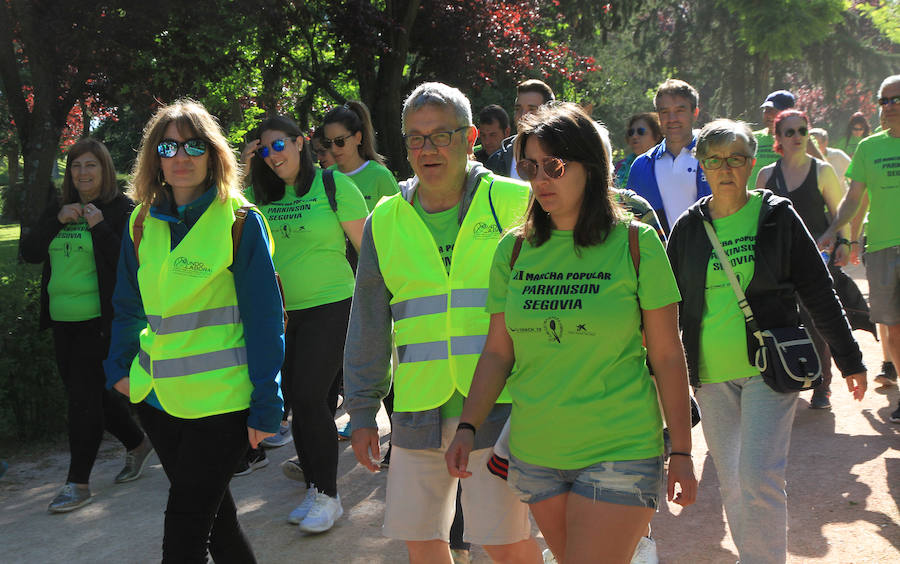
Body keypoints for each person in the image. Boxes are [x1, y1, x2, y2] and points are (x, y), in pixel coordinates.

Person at [444, 102, 696, 563]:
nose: (541, 179)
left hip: (620, 446)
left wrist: (681, 450)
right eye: (530, 167)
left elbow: (666, 355)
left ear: (590, 166)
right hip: (536, 454)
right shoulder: (512, 251)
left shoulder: (636, 244)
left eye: (554, 166)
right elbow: (498, 353)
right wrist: (467, 426)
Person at [345, 82, 542, 563]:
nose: (427, 149)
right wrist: (363, 409)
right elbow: (368, 321)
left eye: (440, 136)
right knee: (421, 538)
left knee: (503, 540)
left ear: (470, 137)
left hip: (500, 403)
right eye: (416, 138)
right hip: (418, 405)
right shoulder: (385, 219)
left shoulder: (517, 202)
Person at [667, 119, 867, 563]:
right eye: (714, 160)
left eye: (735, 159)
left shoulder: (776, 216)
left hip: (769, 368)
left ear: (751, 162)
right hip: (710, 375)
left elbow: (818, 290)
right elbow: (668, 305)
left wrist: (850, 359)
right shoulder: (689, 227)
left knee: (758, 477)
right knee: (734, 483)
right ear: (702, 165)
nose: (725, 169)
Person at [104, 99, 284, 562]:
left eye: (193, 146)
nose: (181, 156)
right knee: (217, 524)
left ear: (213, 154)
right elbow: (128, 305)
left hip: (222, 404)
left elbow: (266, 321)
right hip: (158, 400)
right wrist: (120, 368)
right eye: (168, 147)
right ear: (155, 159)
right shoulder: (139, 222)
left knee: (184, 534)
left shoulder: (241, 222)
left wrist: (267, 403)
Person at [244, 114, 368, 532]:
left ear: (300, 142)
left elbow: (368, 252)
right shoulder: (257, 196)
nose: (272, 154)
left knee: (310, 396)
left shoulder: (334, 185)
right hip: (280, 314)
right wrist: (244, 169)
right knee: (298, 401)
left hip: (333, 305)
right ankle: (315, 488)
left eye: (279, 144)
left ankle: (330, 497)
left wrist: (379, 312)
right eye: (264, 149)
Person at [21, 138, 152, 514]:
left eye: (90, 165)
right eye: (76, 166)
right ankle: (138, 443)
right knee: (94, 396)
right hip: (63, 321)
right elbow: (30, 252)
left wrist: (98, 227)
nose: (82, 173)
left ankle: (77, 483)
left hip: (101, 323)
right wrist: (55, 221)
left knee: (82, 401)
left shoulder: (121, 210)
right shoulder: (59, 208)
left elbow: (132, 266)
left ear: (104, 169)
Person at [756, 110, 858, 409]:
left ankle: (822, 385)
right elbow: (758, 221)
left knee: (817, 320)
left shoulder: (822, 171)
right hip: (778, 260)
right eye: (790, 132)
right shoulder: (766, 175)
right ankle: (789, 374)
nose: (797, 137)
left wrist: (843, 241)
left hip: (817, 257)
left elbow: (840, 212)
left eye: (802, 131)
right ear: (778, 138)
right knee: (782, 319)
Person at [820, 75, 900, 424]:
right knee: (892, 327)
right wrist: (835, 231)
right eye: (884, 101)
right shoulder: (869, 148)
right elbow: (854, 198)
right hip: (880, 247)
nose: (889, 106)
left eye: (896, 99)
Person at [627, 79, 711, 235]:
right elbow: (632, 222)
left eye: (680, 110)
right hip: (660, 250)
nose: (672, 119)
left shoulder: (715, 158)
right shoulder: (641, 166)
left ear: (695, 113)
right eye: (665, 112)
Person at [321, 101, 399, 213]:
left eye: (339, 141)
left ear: (358, 137)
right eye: (328, 143)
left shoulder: (380, 176)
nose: (333, 149)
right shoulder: (325, 177)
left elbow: (397, 218)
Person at [485, 79, 555, 178]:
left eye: (532, 110)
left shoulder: (565, 159)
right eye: (518, 109)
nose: (523, 116)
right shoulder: (496, 162)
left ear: (550, 113)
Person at [748, 90, 796, 188]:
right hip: (755, 197)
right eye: (766, 110)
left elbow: (819, 169)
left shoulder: (800, 140)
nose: (769, 115)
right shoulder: (751, 138)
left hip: (785, 197)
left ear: (789, 113)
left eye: (775, 110)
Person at [614, 112, 663, 189]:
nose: (634, 136)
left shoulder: (664, 164)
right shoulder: (620, 166)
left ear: (657, 137)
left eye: (641, 131)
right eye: (631, 132)